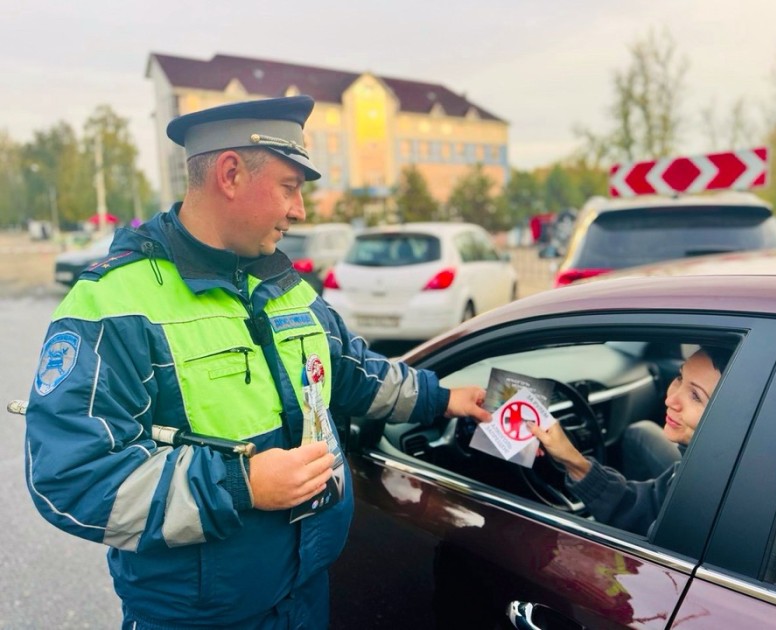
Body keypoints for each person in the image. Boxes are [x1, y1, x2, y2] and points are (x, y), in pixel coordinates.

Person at [24, 95, 491, 630]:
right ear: (230, 174)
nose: (300, 211)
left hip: (304, 593)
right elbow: (72, 477)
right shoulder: (113, 303)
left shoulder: (281, 282)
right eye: (289, 187)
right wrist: (240, 484)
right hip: (199, 620)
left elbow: (350, 371)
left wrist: (442, 398)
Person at [528, 345, 732, 536]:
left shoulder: (699, 501)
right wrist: (573, 460)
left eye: (695, 396)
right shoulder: (702, 467)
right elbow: (647, 506)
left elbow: (640, 520)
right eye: (680, 377)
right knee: (640, 433)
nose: (670, 399)